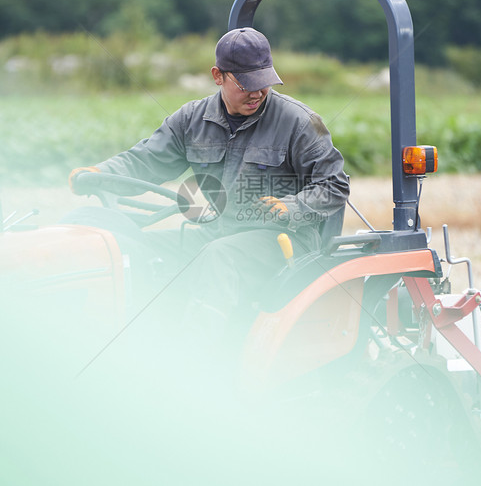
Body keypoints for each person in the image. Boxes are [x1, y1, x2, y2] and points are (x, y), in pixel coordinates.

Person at [68, 27, 349, 346]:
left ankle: (197, 361)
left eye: (264, 83)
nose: (257, 93)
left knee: (218, 257)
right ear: (218, 76)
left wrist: (293, 206)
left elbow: (334, 185)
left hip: (285, 238)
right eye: (247, 84)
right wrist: (99, 173)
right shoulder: (191, 119)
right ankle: (137, 343)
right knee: (138, 248)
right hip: (221, 229)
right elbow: (145, 161)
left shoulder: (297, 121)